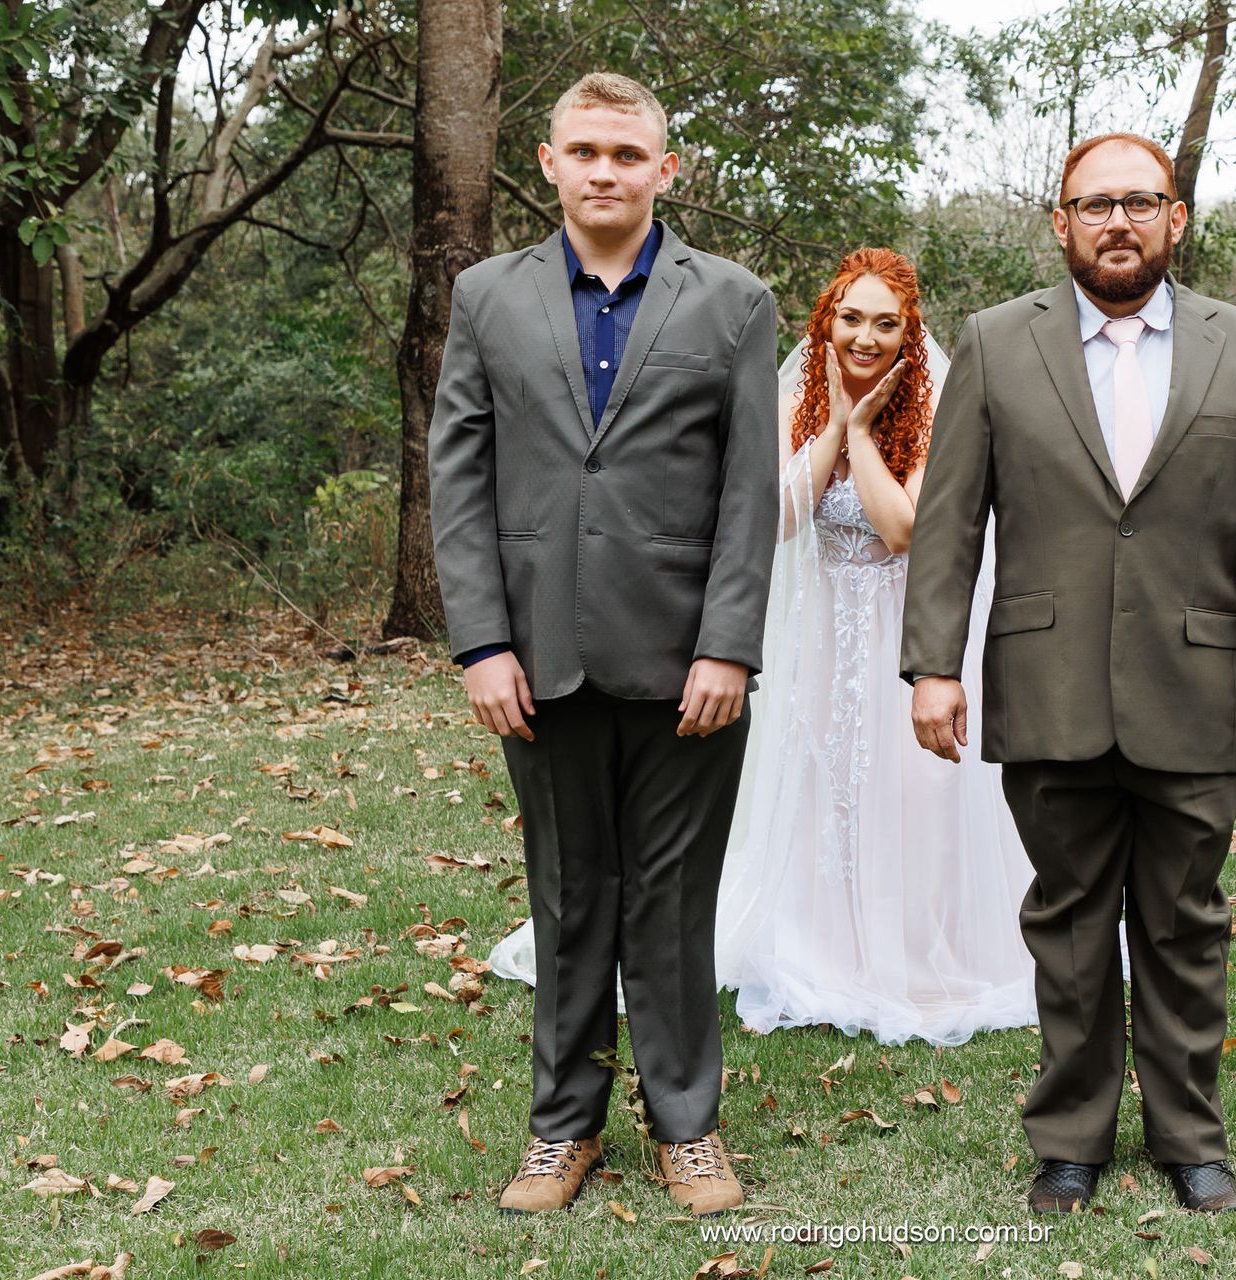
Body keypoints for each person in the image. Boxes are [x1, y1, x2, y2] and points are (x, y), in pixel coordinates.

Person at [900, 132, 1236, 1216]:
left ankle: (1191, 1135)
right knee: (1072, 921)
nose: (1119, 222)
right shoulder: (998, 345)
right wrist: (932, 666)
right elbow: (949, 522)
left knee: (1183, 918)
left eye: (1142, 201)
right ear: (1061, 222)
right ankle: (1072, 1139)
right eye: (1096, 205)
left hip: (1191, 680)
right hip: (1046, 681)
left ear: (1177, 219)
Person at [490, 250, 1041, 1047]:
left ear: (909, 333)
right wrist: (834, 425)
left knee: (904, 788)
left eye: (887, 323)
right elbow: (776, 517)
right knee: (820, 782)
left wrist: (861, 438)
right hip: (821, 640)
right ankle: (820, 943)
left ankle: (905, 951)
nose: (867, 336)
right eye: (852, 318)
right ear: (827, 323)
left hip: (900, 631)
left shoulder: (935, 406)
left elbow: (901, 530)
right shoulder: (796, 401)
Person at [427, 71, 776, 1218]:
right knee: (570, 894)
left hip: (689, 662)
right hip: (541, 656)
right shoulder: (488, 296)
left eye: (628, 154)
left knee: (672, 899)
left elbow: (747, 487)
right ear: (548, 162)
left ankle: (688, 1126)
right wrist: (481, 642)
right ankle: (561, 1127)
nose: (605, 171)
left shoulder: (731, 301)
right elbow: (460, 478)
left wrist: (729, 643)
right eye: (585, 151)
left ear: (665, 169)